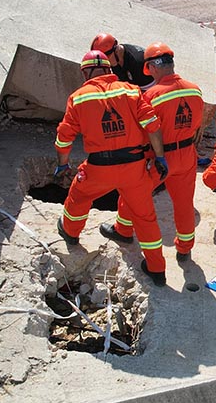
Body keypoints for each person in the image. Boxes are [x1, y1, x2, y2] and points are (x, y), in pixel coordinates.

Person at [56, 50, 170, 285]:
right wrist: (159, 158)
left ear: (85, 73)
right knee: (146, 217)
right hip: (134, 168)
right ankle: (157, 269)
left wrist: (63, 163)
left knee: (78, 196)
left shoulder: (78, 97)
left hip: (99, 168)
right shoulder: (131, 90)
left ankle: (71, 233)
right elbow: (152, 126)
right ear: (109, 70)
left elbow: (64, 138)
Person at [111, 42, 203, 261]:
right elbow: (196, 123)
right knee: (183, 204)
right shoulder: (195, 89)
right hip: (188, 154)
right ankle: (184, 248)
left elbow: (147, 131)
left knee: (134, 191)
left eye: (149, 69)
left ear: (152, 66)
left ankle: (123, 230)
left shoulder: (152, 96)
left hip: (161, 158)